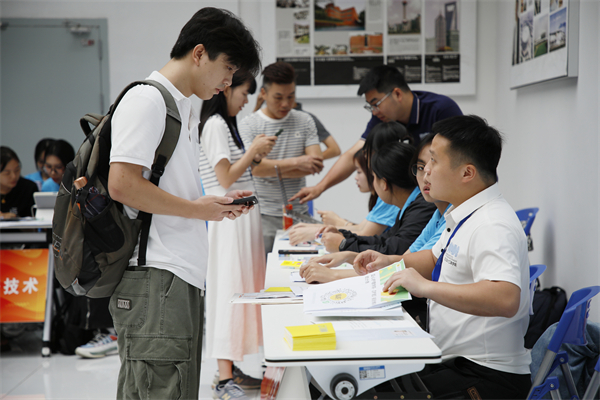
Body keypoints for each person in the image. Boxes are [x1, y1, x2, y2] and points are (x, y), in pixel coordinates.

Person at [106, 8, 261, 400]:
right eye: (228, 68)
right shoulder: (148, 100)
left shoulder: (182, 107)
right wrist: (198, 210)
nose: (228, 82)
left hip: (178, 276)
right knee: (160, 389)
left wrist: (208, 204)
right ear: (199, 53)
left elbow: (161, 188)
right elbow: (122, 184)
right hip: (157, 274)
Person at [354, 115, 531, 399]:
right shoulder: (465, 213)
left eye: (434, 161)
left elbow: (506, 298)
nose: (425, 171)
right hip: (453, 361)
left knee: (365, 392)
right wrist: (389, 262)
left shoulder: (492, 224)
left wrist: (425, 287)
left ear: (467, 173)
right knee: (365, 380)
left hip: (486, 376)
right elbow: (435, 260)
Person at [198, 71, 276, 399]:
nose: (246, 101)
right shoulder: (215, 124)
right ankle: (224, 377)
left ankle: (231, 369)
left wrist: (253, 154)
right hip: (227, 221)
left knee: (242, 288)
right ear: (226, 90)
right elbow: (224, 178)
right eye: (244, 94)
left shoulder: (226, 125)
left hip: (239, 219)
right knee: (228, 290)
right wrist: (253, 149)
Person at [289, 65, 463, 204]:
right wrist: (319, 188)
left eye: (376, 103)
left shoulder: (441, 109)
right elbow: (354, 154)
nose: (374, 111)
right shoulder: (381, 118)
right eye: (370, 106)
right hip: (409, 196)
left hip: (442, 196)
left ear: (397, 94)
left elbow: (457, 157)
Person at [239, 61, 323, 254]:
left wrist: (270, 168)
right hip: (262, 215)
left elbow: (315, 164)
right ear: (263, 93)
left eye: (291, 96)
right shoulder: (249, 124)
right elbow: (254, 169)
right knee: (263, 270)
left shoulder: (304, 120)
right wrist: (298, 162)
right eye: (278, 97)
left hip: (299, 214)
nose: (285, 103)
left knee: (303, 266)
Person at [254, 95, 341, 160]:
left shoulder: (306, 119)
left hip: (294, 176)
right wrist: (258, 106)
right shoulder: (264, 119)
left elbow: (334, 149)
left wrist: (310, 160)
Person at [0, 146, 38, 219]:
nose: (14, 176)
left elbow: (35, 220)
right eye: (7, 173)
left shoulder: (28, 188)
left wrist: (15, 218)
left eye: (17, 170)